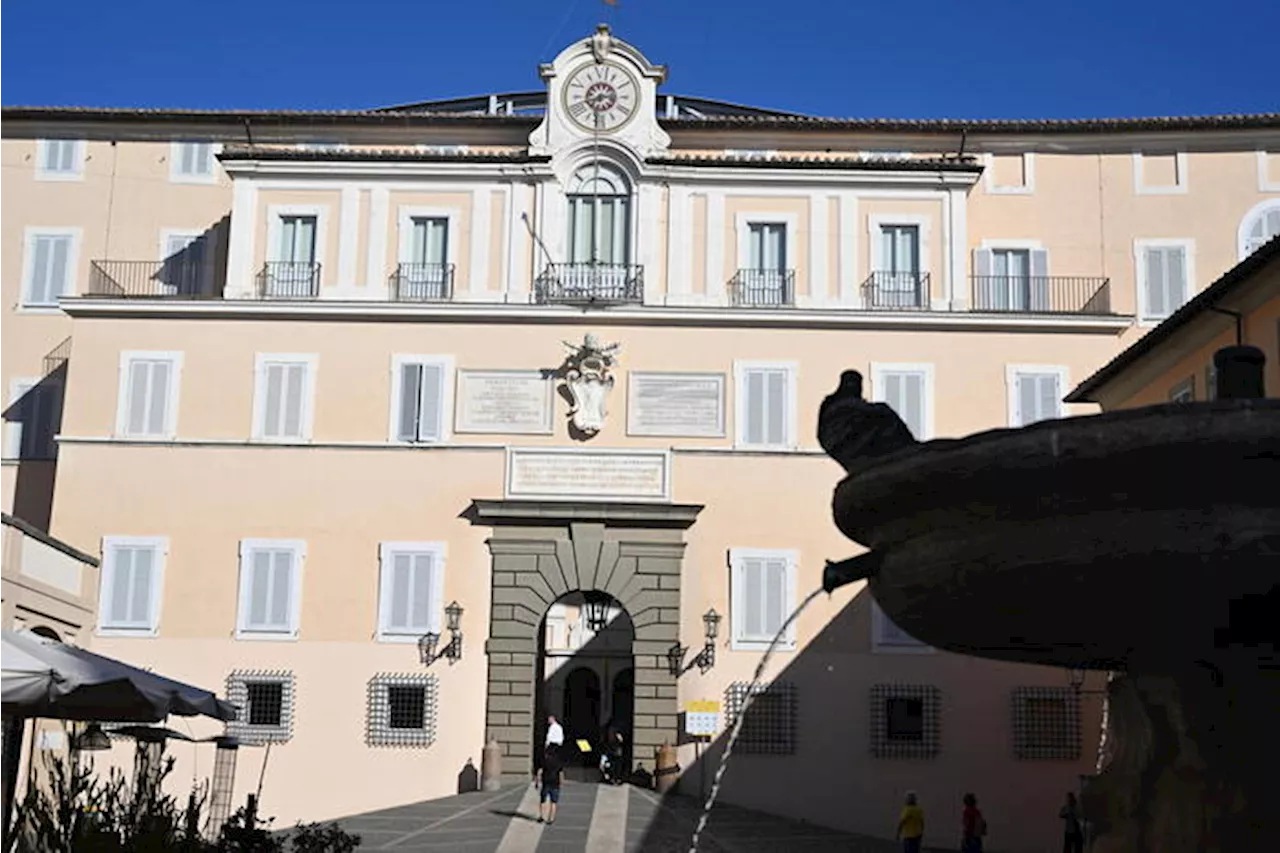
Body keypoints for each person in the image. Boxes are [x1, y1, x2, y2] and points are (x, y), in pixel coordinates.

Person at [536, 744, 564, 825]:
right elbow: (561, 773)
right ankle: (551, 819)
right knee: (554, 802)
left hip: (546, 782)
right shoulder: (558, 761)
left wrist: (537, 782)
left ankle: (542, 816)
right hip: (555, 783)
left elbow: (539, 771)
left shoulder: (545, 760)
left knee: (543, 800)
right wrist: (561, 782)